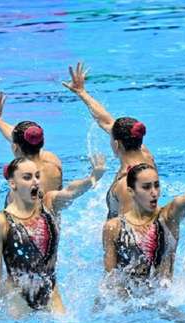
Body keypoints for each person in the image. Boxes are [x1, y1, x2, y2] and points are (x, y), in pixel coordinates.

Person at [0, 154, 106, 315]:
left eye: (37, 176)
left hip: (50, 293)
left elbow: (70, 191)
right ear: (12, 184)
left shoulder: (49, 204)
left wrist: (92, 178)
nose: (35, 181)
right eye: (27, 177)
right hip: (17, 297)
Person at [102, 163, 185, 295]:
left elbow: (180, 203)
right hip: (126, 303)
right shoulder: (113, 227)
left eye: (156, 185)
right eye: (146, 187)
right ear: (131, 191)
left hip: (162, 301)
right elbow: (111, 279)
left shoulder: (167, 218)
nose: (154, 193)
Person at [62, 61, 156, 219]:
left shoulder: (129, 181)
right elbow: (105, 121)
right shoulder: (145, 153)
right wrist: (81, 92)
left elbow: (132, 229)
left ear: (117, 144)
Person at [0, 90, 63, 196]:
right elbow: (20, 138)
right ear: (41, 142)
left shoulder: (23, 180)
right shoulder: (52, 160)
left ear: (15, 147)